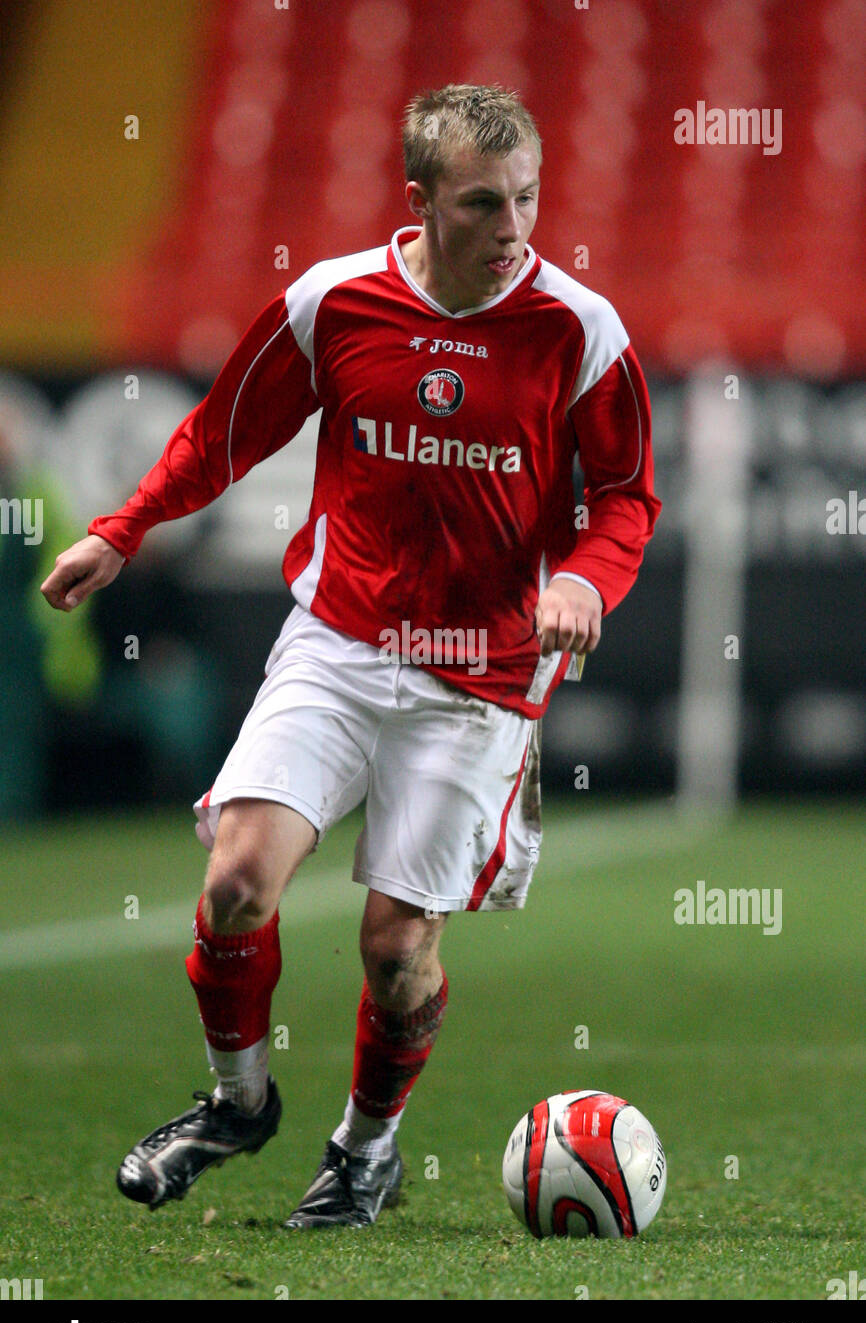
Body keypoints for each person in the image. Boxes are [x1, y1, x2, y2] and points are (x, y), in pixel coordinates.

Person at [41, 84, 661, 1228]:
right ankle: (236, 1102)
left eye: (527, 198)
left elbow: (624, 496)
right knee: (233, 881)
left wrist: (583, 577)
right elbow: (220, 431)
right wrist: (119, 529)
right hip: (337, 639)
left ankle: (365, 1149)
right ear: (419, 201)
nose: (515, 227)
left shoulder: (581, 330)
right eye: (484, 203)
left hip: (476, 677)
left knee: (393, 950)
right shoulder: (332, 301)